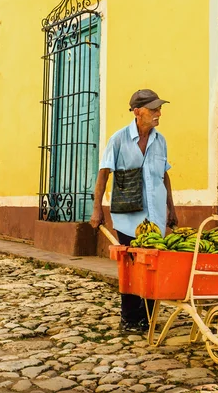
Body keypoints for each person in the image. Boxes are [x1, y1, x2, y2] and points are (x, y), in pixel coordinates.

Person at [90, 89, 178, 333]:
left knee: (153, 267)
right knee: (130, 268)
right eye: (154, 109)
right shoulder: (118, 139)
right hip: (128, 217)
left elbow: (165, 175)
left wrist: (172, 208)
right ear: (138, 112)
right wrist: (97, 209)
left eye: (160, 108)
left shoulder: (160, 141)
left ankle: (148, 317)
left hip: (156, 216)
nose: (159, 113)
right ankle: (129, 318)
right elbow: (104, 174)